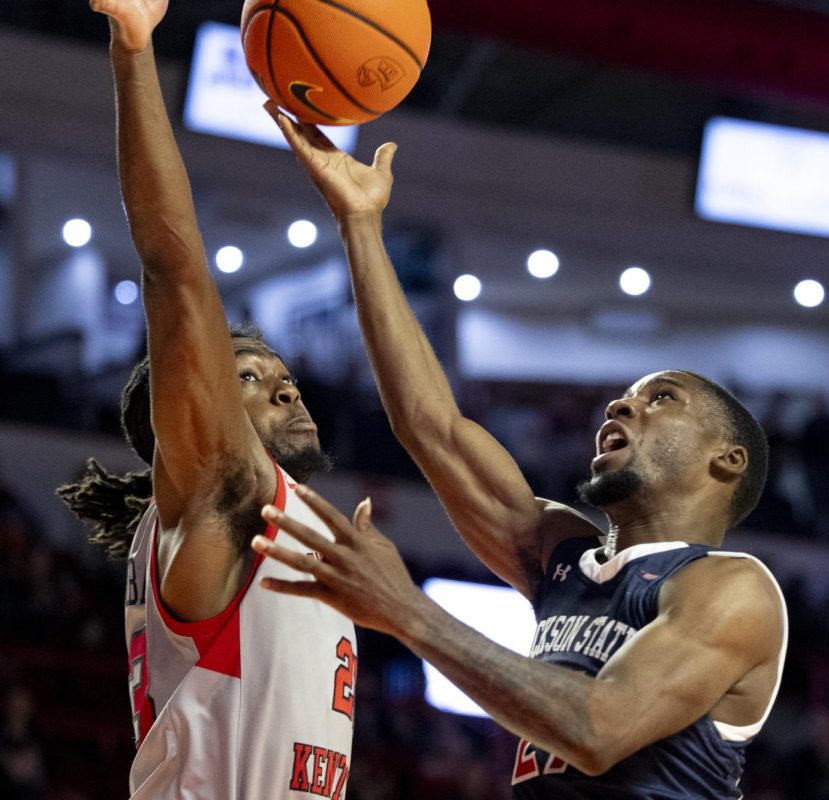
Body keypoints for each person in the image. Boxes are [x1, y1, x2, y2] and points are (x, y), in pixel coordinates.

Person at [252, 107, 788, 796]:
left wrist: (406, 611)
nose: (621, 406)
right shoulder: (561, 553)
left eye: (661, 400)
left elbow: (598, 728)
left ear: (727, 460)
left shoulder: (731, 588)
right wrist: (359, 223)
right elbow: (432, 426)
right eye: (624, 397)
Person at [55, 2, 356, 796]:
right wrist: (134, 46)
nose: (284, 385)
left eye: (278, 373)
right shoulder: (221, 491)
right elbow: (174, 271)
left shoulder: (284, 523)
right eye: (246, 378)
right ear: (188, 417)